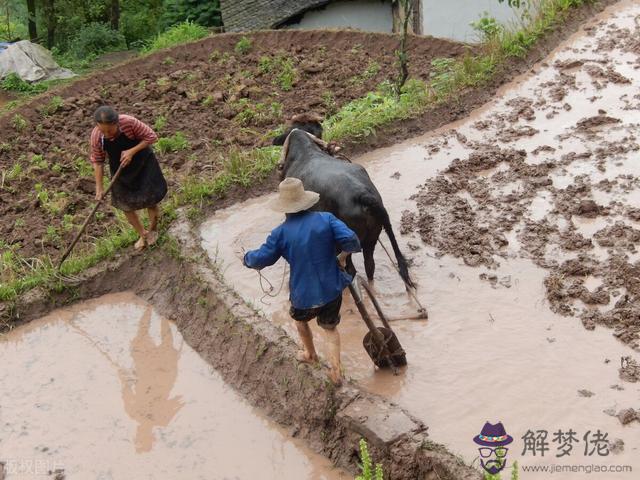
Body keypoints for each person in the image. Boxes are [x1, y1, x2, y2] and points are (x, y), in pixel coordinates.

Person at [243, 177, 361, 386]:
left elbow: (263, 258)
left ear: (284, 207)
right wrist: (341, 258)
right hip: (332, 288)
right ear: (306, 201)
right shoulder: (326, 219)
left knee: (300, 321)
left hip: (303, 295)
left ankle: (310, 354)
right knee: (330, 328)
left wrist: (247, 259)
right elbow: (352, 240)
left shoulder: (280, 233)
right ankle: (336, 369)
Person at [89, 106, 167, 250]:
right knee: (125, 205)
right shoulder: (96, 137)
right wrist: (99, 188)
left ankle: (153, 229)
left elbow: (151, 137)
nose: (107, 134)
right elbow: (98, 161)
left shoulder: (129, 123)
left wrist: (131, 151)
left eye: (110, 130)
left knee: (151, 199)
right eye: (102, 130)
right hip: (121, 169)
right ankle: (143, 234)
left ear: (117, 123)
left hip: (143, 163)